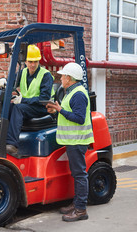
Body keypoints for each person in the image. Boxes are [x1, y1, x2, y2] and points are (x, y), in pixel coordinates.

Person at [45, 62, 94, 222]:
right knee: (77, 174)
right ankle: (77, 203)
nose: (61, 78)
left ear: (70, 78)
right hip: (73, 140)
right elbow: (70, 113)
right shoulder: (72, 92)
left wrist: (60, 110)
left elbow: (79, 119)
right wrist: (57, 110)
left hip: (77, 140)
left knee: (79, 174)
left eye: (63, 75)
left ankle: (81, 210)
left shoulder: (78, 94)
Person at [0, 45, 54, 156]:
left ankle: (11, 144)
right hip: (29, 106)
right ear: (25, 62)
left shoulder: (46, 75)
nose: (33, 65)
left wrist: (23, 99)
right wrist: (3, 82)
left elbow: (44, 99)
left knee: (18, 108)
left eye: (35, 62)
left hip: (43, 108)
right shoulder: (22, 73)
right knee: (7, 107)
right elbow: (11, 83)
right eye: (30, 61)